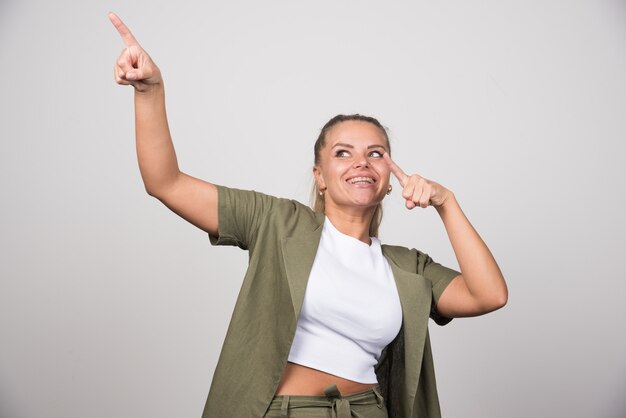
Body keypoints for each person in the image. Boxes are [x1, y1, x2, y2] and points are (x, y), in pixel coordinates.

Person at [109, 12, 508, 418]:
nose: (361, 163)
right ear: (320, 176)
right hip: (287, 410)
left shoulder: (407, 266)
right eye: (342, 153)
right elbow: (165, 182)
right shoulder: (277, 222)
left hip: (368, 409)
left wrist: (447, 203)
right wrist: (149, 91)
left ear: (388, 178)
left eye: (376, 153)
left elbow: (489, 294)